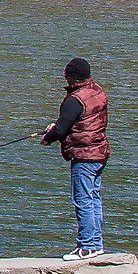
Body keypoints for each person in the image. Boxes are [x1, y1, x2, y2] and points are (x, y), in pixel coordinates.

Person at [38, 57, 109, 259]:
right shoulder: (97, 91)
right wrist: (59, 126)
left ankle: (86, 246)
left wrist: (48, 138)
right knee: (94, 198)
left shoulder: (74, 100)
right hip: (100, 152)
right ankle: (96, 245)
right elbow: (82, 121)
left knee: (83, 200)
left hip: (84, 155)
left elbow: (61, 128)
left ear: (72, 78)